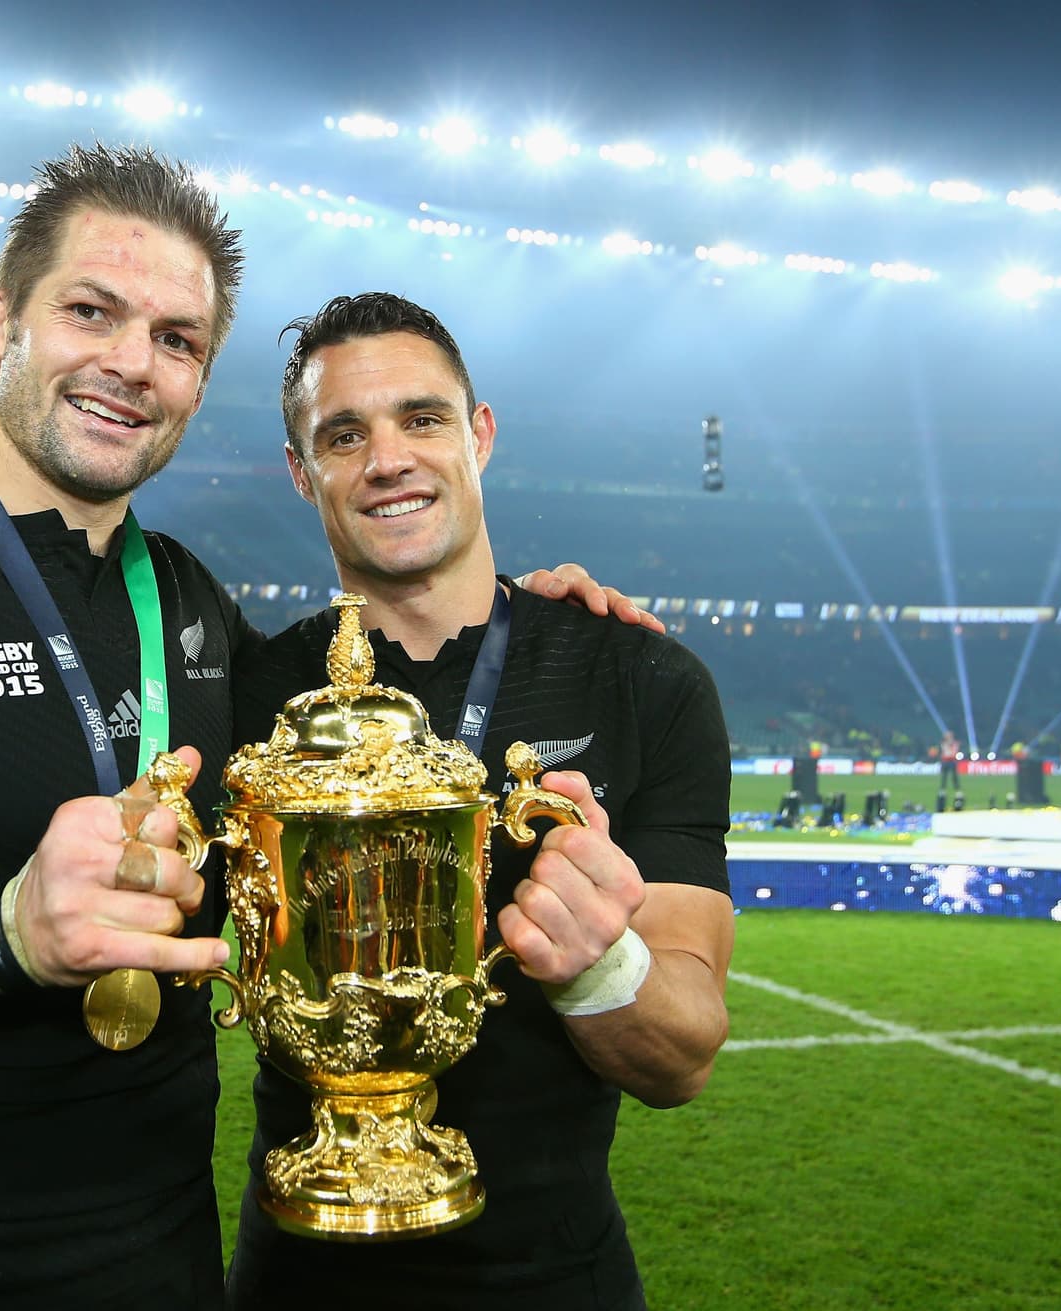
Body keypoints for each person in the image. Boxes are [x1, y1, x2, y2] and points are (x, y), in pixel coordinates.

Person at [0, 147, 644, 1309]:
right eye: (91, 312)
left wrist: (555, 621)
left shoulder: (191, 609)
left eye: (177, 340)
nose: (131, 364)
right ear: (0, 320)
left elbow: (386, 711)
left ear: (200, 381)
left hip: (166, 1274)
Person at [226, 293, 735, 1309]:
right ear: (301, 471)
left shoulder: (642, 679)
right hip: (300, 1269)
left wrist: (600, 964)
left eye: (422, 419)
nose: (389, 459)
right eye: (343, 434)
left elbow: (681, 1055)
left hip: (554, 1277)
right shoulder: (247, 698)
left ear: (480, 435)